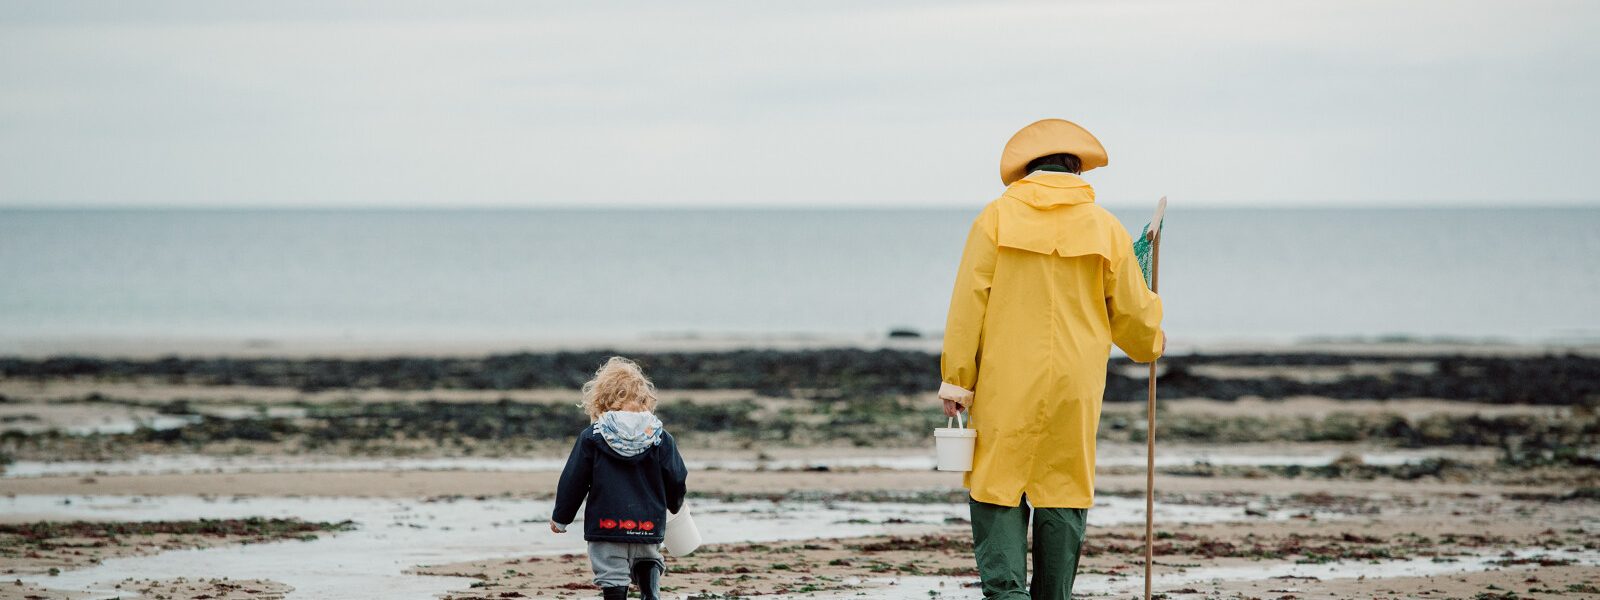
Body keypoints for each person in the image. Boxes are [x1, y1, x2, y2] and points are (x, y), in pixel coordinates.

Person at [939, 118, 1165, 599]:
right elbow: (1135, 323)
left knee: (996, 482)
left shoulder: (995, 218)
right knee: (1063, 486)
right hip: (1075, 383)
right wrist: (1153, 338)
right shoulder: (1106, 228)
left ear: (1026, 170)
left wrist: (957, 381)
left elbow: (967, 306)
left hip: (1006, 380)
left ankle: (1007, 594)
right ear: (1077, 169)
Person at [551, 357, 689, 600]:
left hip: (607, 524)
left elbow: (574, 480)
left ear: (602, 398)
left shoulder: (592, 437)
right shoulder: (660, 437)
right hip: (648, 522)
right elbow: (676, 476)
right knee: (648, 559)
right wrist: (674, 503)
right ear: (645, 398)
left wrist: (561, 518)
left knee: (611, 572)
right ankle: (650, 593)